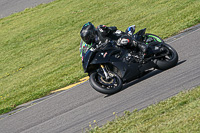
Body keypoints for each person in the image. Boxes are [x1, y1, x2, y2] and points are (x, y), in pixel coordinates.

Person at [80, 22, 148, 61]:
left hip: (118, 38)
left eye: (87, 37)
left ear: (91, 33)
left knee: (122, 41)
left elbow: (113, 28)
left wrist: (107, 29)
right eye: (85, 38)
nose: (86, 40)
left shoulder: (100, 30)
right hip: (114, 48)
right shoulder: (95, 43)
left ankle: (141, 46)